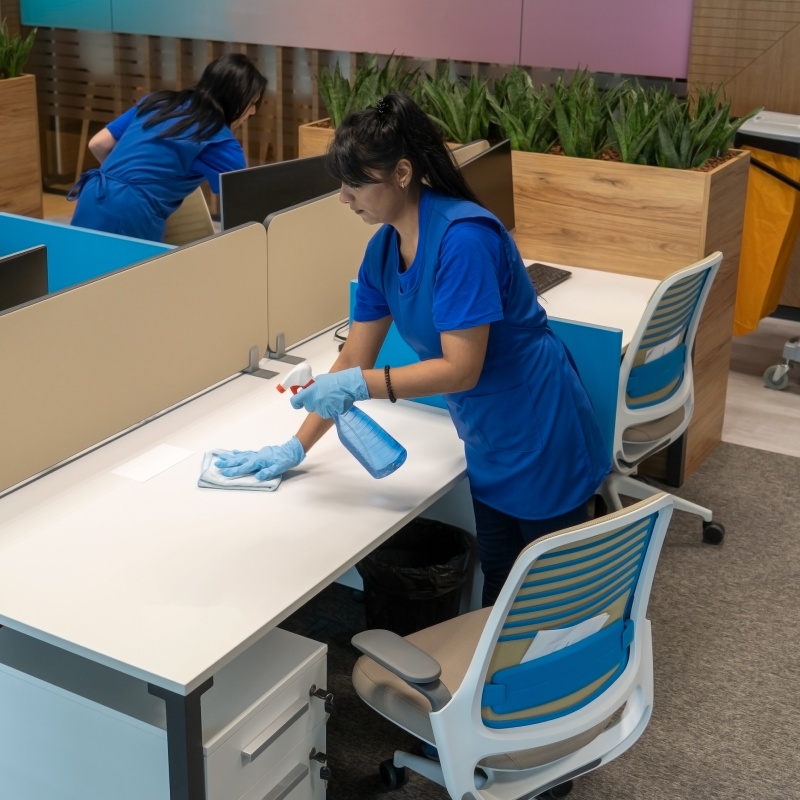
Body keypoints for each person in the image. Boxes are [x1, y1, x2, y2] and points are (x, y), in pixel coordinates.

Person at [216, 92, 611, 607]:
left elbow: (461, 368)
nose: (343, 197)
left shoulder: (462, 240)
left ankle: (568, 682)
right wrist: (297, 446)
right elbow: (354, 357)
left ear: (402, 172)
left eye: (355, 183)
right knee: (498, 576)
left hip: (537, 422)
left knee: (549, 589)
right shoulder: (384, 248)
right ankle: (497, 683)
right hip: (486, 431)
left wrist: (361, 386)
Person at [67, 53, 267, 242]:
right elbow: (244, 209)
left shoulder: (159, 101)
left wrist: (124, 181)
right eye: (251, 103)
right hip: (133, 211)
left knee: (81, 273)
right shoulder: (221, 142)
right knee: (129, 277)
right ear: (234, 100)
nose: (253, 111)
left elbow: (98, 143)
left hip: (92, 194)